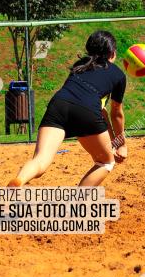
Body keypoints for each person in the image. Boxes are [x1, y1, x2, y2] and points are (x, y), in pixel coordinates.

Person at [8, 30, 127, 189]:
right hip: (86, 111)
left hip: (59, 104)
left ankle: (20, 180)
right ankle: (76, 204)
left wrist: (114, 141)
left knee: (41, 159)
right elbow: (116, 114)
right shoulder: (118, 75)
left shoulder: (81, 64)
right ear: (112, 53)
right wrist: (121, 144)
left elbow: (101, 111)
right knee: (105, 162)